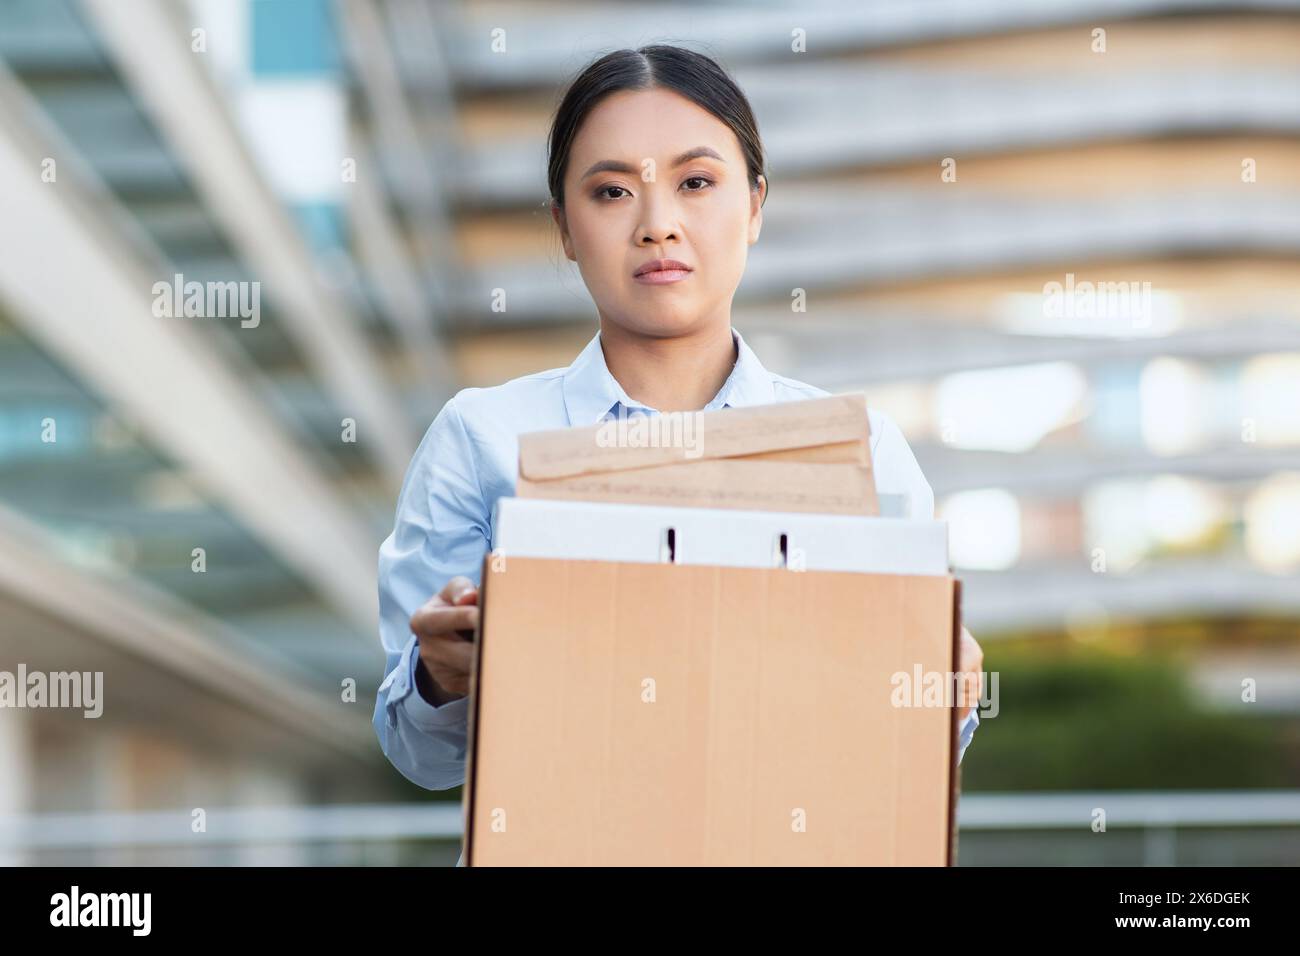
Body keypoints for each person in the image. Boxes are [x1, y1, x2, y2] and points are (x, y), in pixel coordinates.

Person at [373, 45, 983, 861]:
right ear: (563, 226)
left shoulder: (858, 451)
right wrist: (441, 677)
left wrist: (950, 686)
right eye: (611, 190)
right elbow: (417, 755)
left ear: (756, 205)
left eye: (696, 182)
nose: (657, 221)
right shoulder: (481, 435)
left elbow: (901, 757)